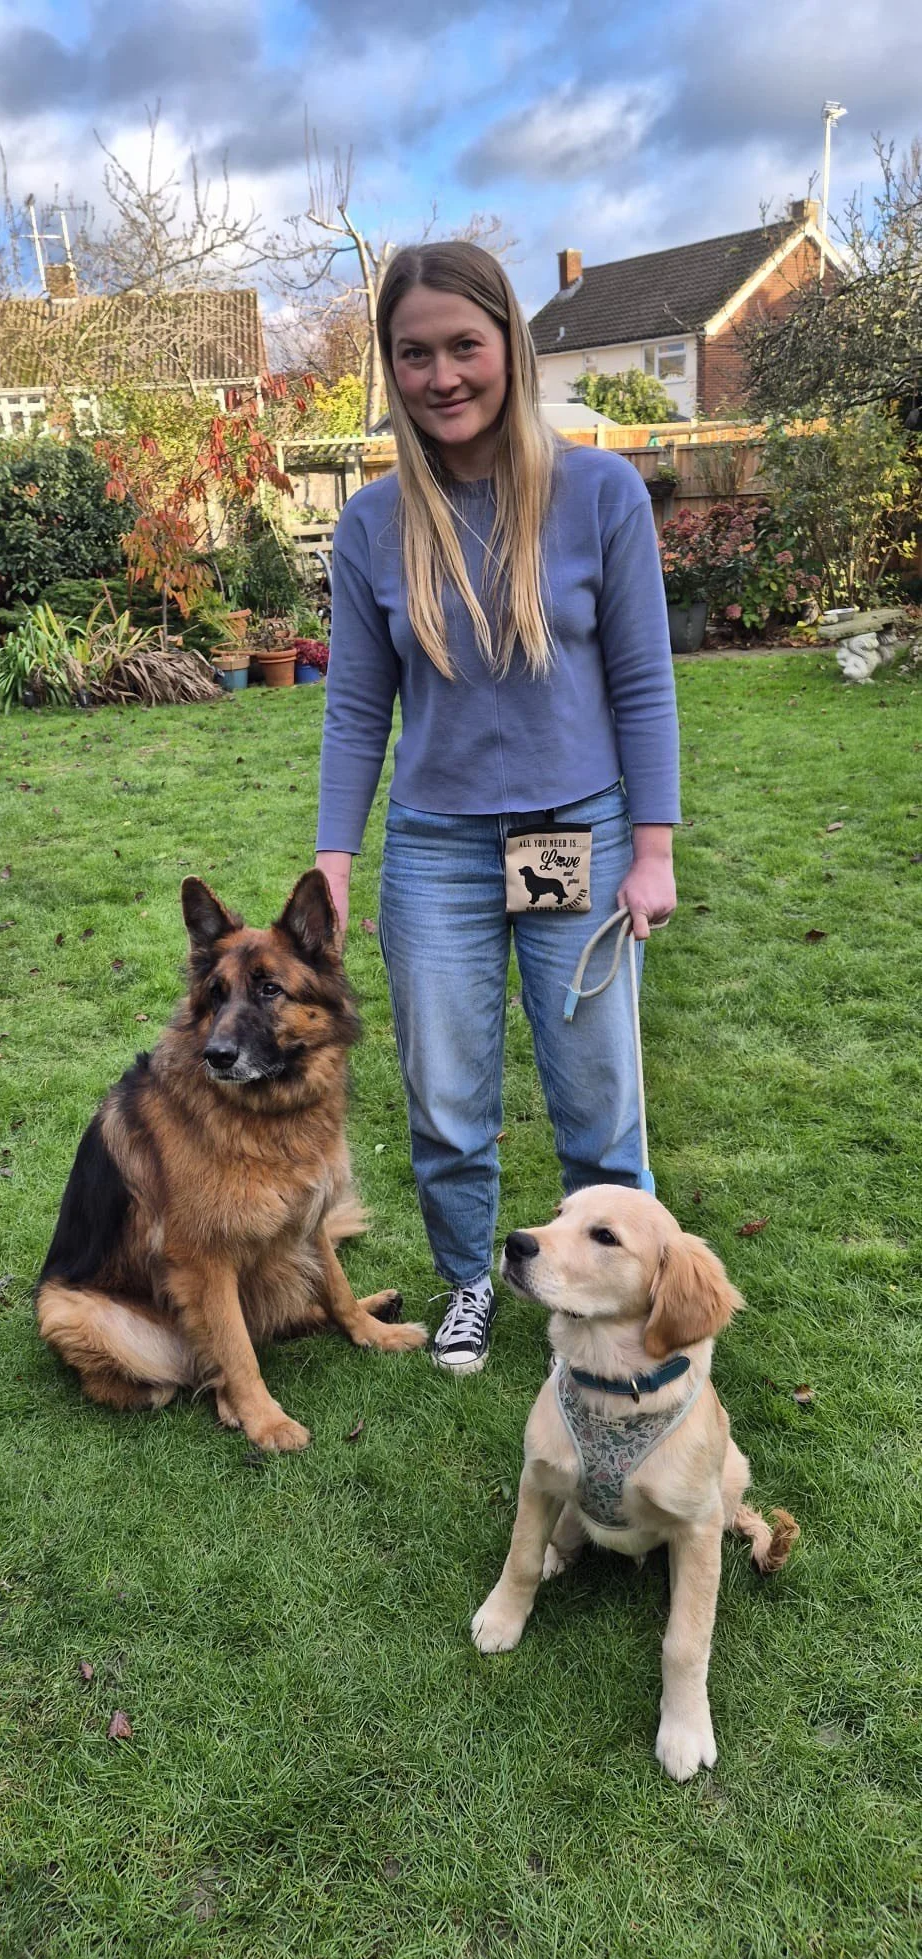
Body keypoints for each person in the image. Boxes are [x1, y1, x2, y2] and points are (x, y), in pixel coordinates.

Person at [316, 242, 679, 1377]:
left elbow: (643, 682)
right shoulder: (371, 525)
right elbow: (355, 710)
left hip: (580, 832)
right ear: (391, 367)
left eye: (464, 345)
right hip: (436, 850)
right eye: (413, 353)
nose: (442, 376)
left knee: (598, 1088)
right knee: (444, 1089)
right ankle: (470, 1278)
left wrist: (653, 849)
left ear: (509, 346)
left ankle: (612, 1298)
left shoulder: (602, 495)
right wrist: (334, 859)